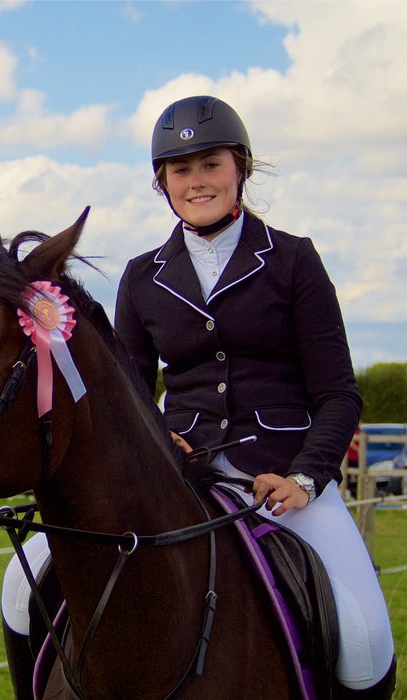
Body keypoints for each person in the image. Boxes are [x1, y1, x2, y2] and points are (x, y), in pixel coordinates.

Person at [114, 95, 395, 696]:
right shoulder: (141, 276)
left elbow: (339, 394)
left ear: (240, 167)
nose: (197, 182)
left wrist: (304, 479)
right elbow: (130, 397)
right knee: (21, 581)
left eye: (210, 164)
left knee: (367, 637)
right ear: (161, 182)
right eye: (181, 170)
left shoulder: (293, 259)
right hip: (179, 474)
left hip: (282, 478)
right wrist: (157, 437)